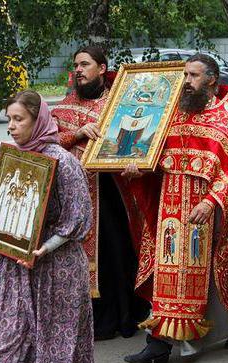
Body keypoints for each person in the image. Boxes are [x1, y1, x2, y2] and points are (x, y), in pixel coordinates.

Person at [122, 53, 228, 363]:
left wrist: (211, 201)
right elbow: (154, 156)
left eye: (193, 75)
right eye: (184, 75)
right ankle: (158, 346)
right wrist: (138, 169)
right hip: (169, 209)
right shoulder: (172, 115)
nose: (186, 82)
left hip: (205, 213)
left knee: (201, 279)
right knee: (164, 273)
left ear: (211, 79)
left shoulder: (225, 120)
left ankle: (191, 340)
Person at [0, 90, 95, 363]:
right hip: (16, 265)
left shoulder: (63, 162)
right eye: (9, 119)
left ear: (37, 120)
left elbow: (78, 217)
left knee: (55, 344)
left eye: (19, 119)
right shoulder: (16, 158)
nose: (11, 126)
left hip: (57, 268)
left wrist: (46, 247)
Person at [51, 46, 149, 340]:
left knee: (117, 254)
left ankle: (125, 316)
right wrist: (78, 134)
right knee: (82, 260)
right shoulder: (63, 108)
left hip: (115, 195)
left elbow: (142, 138)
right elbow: (48, 142)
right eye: (76, 65)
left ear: (102, 69)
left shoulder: (121, 106)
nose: (78, 70)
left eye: (85, 64)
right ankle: (93, 323)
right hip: (77, 198)